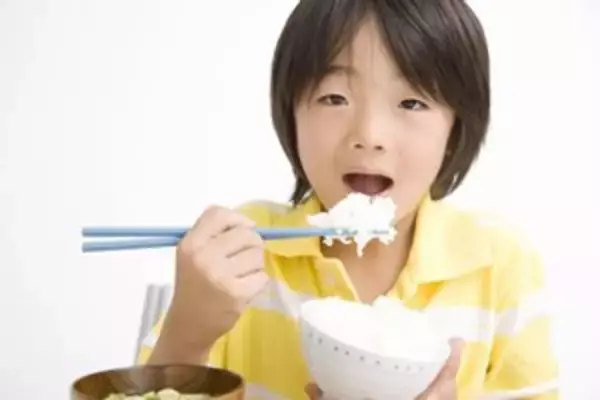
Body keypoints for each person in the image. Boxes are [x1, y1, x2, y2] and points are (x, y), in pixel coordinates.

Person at [138, 0, 560, 398]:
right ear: (290, 114)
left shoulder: (499, 264)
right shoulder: (245, 255)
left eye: (411, 102)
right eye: (334, 98)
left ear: (456, 128)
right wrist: (188, 333)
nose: (370, 136)